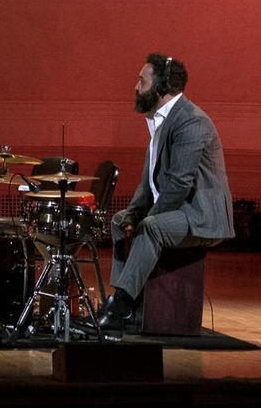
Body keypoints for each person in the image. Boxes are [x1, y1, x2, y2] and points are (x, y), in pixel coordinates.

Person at [99, 54, 233, 331]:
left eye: (141, 81)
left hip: (202, 216)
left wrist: (143, 221)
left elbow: (179, 184)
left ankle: (122, 303)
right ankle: (126, 303)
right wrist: (130, 218)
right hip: (180, 211)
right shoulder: (161, 120)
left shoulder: (190, 121)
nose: (136, 87)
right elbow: (148, 182)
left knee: (150, 228)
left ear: (160, 88)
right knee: (119, 220)